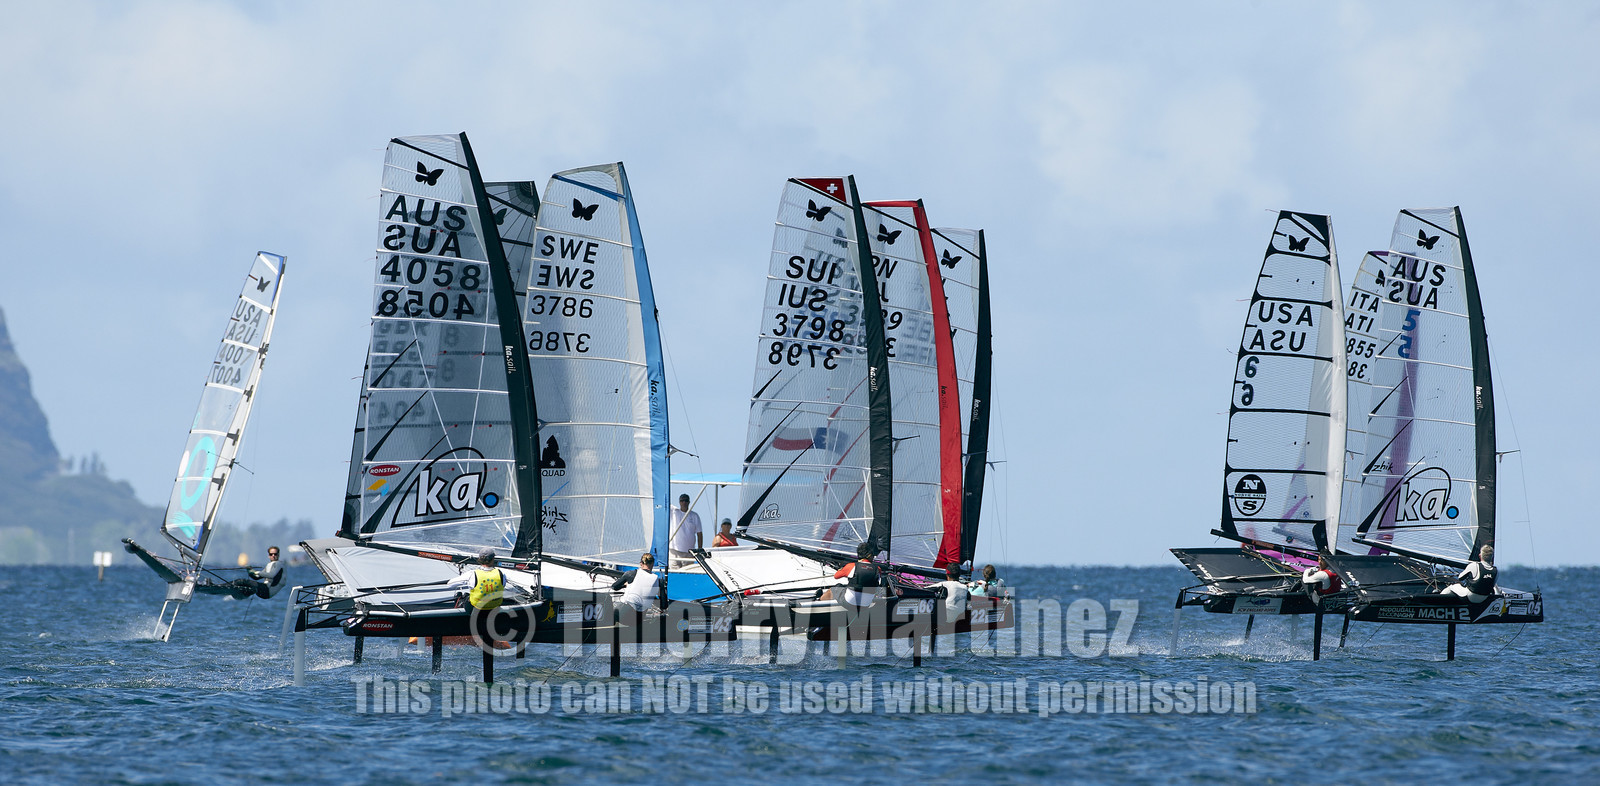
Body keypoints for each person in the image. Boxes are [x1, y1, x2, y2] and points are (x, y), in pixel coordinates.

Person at [446, 548, 513, 611]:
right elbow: (502, 585)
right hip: (494, 609)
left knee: (461, 595)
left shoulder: (472, 574)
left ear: (480, 559)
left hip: (476, 609)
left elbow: (450, 584)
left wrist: (468, 583)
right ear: (493, 559)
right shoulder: (501, 574)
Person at [826, 543, 887, 610]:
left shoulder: (852, 566)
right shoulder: (878, 569)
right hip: (866, 604)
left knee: (834, 589)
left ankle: (818, 603)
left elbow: (836, 576)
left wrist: (843, 570)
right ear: (869, 555)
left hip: (850, 602)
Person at [610, 553, 661, 623]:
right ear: (652, 563)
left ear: (641, 563)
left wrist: (625, 585)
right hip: (638, 620)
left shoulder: (631, 574)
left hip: (622, 617)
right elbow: (663, 604)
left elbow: (614, 587)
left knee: (610, 605)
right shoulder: (657, 580)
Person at [669, 494, 702, 563]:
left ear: (689, 502)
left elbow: (699, 534)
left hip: (689, 551)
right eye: (682, 501)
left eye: (686, 501)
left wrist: (699, 550)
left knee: (688, 572)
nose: (684, 502)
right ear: (679, 502)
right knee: (674, 571)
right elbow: (664, 501)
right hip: (674, 550)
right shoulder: (674, 512)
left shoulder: (694, 516)